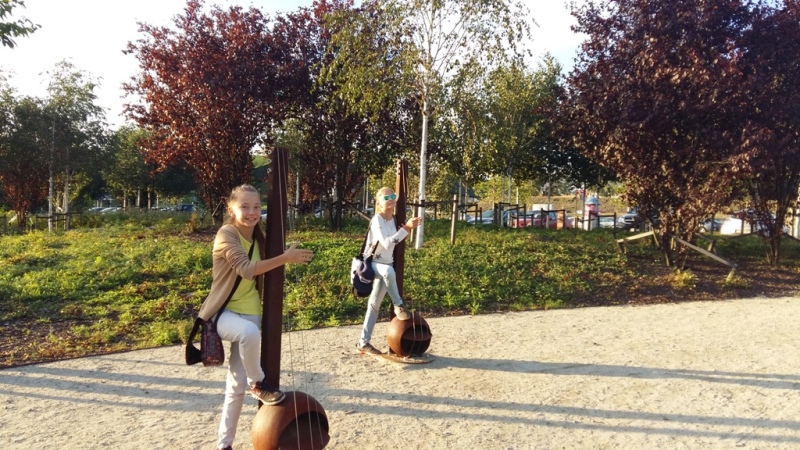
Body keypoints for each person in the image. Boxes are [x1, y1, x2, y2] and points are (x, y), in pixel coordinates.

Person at [196, 184, 314, 450]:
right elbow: (247, 269)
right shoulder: (227, 234)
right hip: (222, 312)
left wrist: (285, 256)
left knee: (235, 386)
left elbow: (268, 266)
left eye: (257, 207)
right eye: (245, 207)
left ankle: (224, 445)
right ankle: (258, 383)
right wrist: (285, 258)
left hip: (251, 311)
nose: (252, 212)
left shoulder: (260, 237)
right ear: (231, 209)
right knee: (249, 335)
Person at [357, 187, 423, 355]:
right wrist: (406, 228)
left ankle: (363, 343)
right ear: (379, 202)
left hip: (387, 263)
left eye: (393, 196)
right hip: (374, 263)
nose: (391, 199)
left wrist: (406, 228)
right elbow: (387, 243)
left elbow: (398, 239)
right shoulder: (377, 220)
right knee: (388, 272)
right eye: (386, 197)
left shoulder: (394, 219)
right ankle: (398, 305)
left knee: (374, 305)